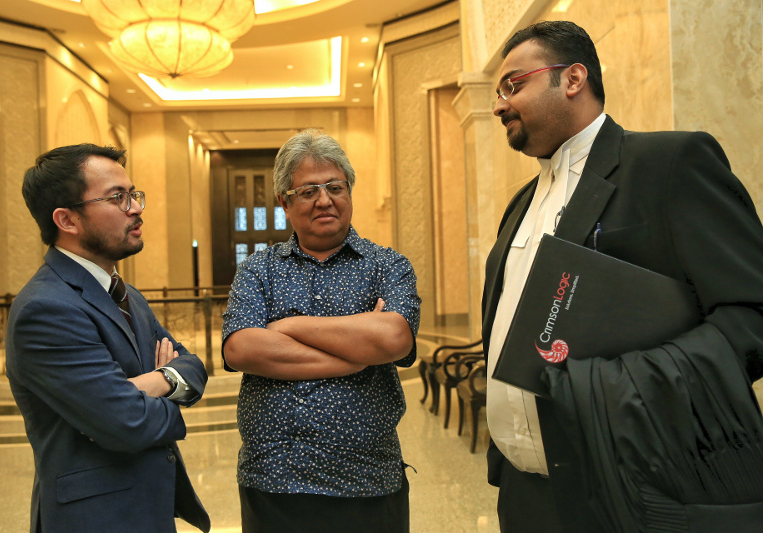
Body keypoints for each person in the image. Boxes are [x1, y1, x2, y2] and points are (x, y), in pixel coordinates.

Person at [483, 21, 763, 533]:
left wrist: (619, 387)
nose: (499, 106)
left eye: (513, 85)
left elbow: (752, 315)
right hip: (523, 497)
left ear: (572, 78)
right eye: (497, 93)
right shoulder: (518, 205)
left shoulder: (667, 164)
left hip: (628, 491)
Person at [222, 129, 421, 533]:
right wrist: (354, 355)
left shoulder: (388, 266)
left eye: (335, 187)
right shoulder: (258, 270)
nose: (325, 200)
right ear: (284, 201)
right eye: (308, 191)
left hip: (368, 480)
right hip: (274, 481)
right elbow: (241, 349)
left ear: (349, 191)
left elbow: (394, 339)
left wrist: (290, 327)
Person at [6, 144, 211, 533]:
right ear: (67, 220)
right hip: (96, 518)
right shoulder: (46, 308)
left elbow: (193, 368)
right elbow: (126, 422)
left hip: (148, 510)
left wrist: (156, 381)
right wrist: (153, 393)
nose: (136, 208)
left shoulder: (126, 294)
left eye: (134, 194)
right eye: (118, 198)